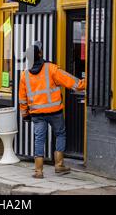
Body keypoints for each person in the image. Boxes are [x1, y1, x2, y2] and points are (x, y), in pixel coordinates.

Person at [19, 41, 86, 178]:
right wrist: (86, 82)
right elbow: (72, 82)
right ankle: (59, 165)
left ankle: (38, 171)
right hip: (55, 112)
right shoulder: (51, 69)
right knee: (60, 134)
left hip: (37, 113)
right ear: (40, 54)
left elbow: (22, 99)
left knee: (39, 139)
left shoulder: (24, 75)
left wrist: (25, 114)